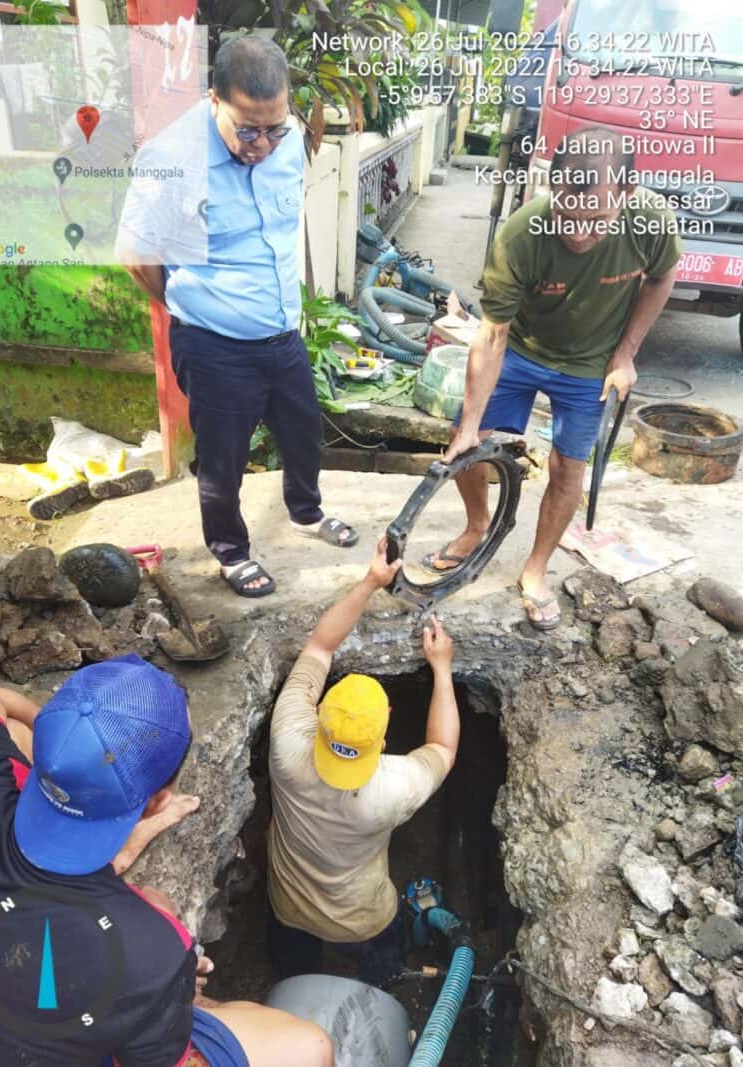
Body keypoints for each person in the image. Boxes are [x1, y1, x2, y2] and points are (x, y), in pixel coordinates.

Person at [0, 654, 332, 1067]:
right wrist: (175, 984)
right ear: (156, 802)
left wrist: (66, 746)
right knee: (309, 1047)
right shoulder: (154, 952)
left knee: (13, 731)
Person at [117, 35, 357, 599]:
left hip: (281, 333)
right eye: (248, 130)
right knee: (222, 460)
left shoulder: (289, 140)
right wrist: (191, 305)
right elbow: (136, 254)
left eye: (274, 128)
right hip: (215, 343)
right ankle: (231, 552)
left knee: (303, 435)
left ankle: (304, 511)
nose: (263, 145)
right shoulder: (172, 159)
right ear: (213, 100)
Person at [426, 127, 682, 630]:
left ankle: (536, 569)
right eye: (567, 214)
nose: (578, 233)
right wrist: (470, 423)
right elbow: (492, 335)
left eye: (595, 219)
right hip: (520, 350)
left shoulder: (650, 220)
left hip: (591, 363)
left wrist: (625, 355)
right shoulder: (522, 235)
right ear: (552, 186)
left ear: (627, 195)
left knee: (569, 468)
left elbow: (662, 276)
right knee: (470, 446)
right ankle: (477, 526)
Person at [266, 539, 459, 988]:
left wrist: (370, 581)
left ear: (321, 714)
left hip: (288, 907)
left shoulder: (288, 740)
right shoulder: (394, 786)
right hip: (362, 919)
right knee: (381, 971)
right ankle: (382, 987)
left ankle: (293, 984)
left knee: (291, 970)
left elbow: (319, 648)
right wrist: (443, 670)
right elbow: (443, 749)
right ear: (385, 735)